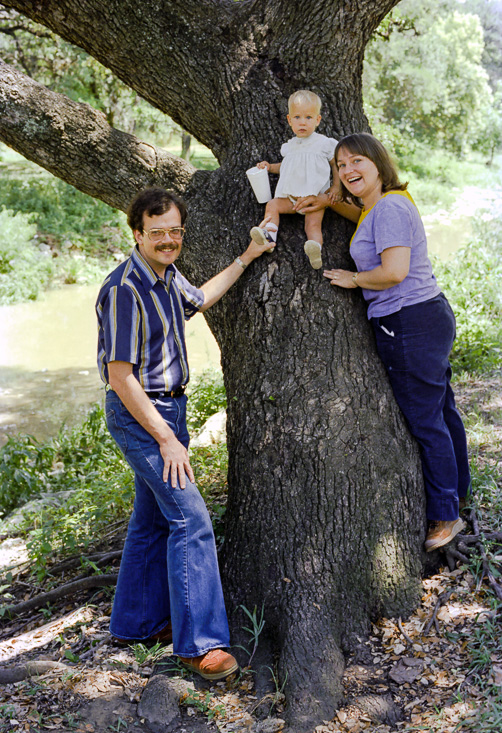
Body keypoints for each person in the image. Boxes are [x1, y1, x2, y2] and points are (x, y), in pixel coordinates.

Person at [96, 186, 274, 679]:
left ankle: (136, 623)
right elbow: (121, 377)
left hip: (169, 413)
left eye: (176, 231)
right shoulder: (124, 290)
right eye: (158, 233)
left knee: (152, 518)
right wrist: (167, 439)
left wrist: (248, 255)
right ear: (138, 234)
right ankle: (199, 645)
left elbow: (202, 298)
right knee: (190, 520)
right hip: (143, 418)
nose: (169, 240)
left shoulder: (167, 276)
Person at [297, 133, 470, 552]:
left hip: (408, 320)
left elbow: (393, 272)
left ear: (378, 164)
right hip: (424, 315)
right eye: (340, 166)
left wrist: (354, 278)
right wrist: (330, 202)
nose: (348, 170)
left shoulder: (389, 207)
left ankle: (446, 516)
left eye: (356, 161)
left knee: (426, 419)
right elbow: (366, 223)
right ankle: (458, 493)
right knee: (441, 409)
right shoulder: (384, 205)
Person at [249, 89, 339, 270]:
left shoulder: (323, 143)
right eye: (297, 117)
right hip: (290, 198)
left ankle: (315, 249)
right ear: (289, 120)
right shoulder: (290, 147)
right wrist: (269, 167)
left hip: (314, 198)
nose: (302, 122)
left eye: (308, 117)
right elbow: (286, 166)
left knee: (312, 225)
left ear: (317, 120)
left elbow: (335, 163)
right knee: (273, 205)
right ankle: (269, 234)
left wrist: (336, 186)